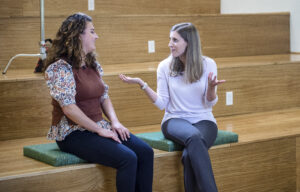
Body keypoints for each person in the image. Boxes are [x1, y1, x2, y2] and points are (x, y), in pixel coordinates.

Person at [44, 13, 153, 192]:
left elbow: (104, 96)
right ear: (78, 35)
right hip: (72, 133)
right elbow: (69, 108)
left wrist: (115, 123)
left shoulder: (92, 63)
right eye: (92, 31)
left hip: (97, 125)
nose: (97, 35)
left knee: (145, 152)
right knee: (128, 158)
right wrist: (100, 130)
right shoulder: (59, 67)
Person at [119, 23, 225, 192]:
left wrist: (212, 88)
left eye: (175, 40)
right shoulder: (164, 67)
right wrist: (142, 84)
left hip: (205, 120)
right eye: (170, 39)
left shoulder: (208, 64)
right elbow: (162, 104)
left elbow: (210, 102)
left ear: (188, 42)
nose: (170, 44)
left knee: (189, 154)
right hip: (174, 120)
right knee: (194, 136)